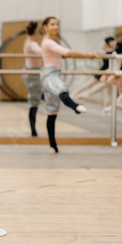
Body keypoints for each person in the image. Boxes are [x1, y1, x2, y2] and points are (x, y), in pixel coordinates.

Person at [40, 16, 97, 153]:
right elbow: (67, 52)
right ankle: (75, 106)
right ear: (45, 27)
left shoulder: (49, 42)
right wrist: (87, 55)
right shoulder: (48, 42)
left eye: (57, 24)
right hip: (50, 74)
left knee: (52, 110)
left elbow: (62, 54)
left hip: (51, 73)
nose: (55, 27)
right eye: (52, 24)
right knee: (62, 91)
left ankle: (52, 145)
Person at [71, 37, 116, 112]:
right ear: (108, 43)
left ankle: (106, 110)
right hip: (103, 72)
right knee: (88, 84)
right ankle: (74, 94)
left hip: (109, 73)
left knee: (108, 92)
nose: (114, 43)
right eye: (112, 42)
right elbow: (96, 52)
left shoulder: (115, 52)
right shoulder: (105, 52)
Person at [22, 21, 43, 137]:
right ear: (35, 30)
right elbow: (41, 53)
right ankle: (33, 130)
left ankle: (33, 130)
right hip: (32, 73)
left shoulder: (28, 41)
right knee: (34, 103)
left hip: (31, 71)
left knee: (35, 101)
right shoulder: (31, 43)